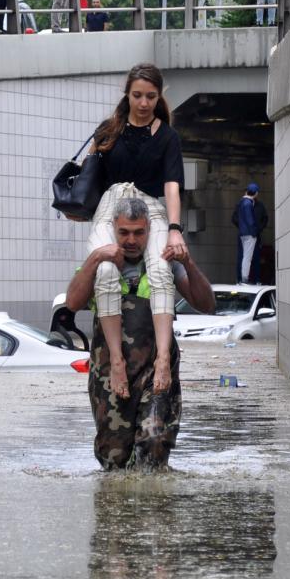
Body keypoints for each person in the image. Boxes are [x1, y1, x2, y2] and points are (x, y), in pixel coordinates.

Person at [64, 197, 214, 469]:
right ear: (114, 229)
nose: (131, 240)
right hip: (111, 374)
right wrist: (96, 257)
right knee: (113, 455)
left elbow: (207, 304)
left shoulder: (164, 265)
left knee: (155, 442)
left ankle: (155, 509)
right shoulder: (100, 267)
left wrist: (188, 263)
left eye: (138, 232)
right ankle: (116, 510)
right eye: (124, 232)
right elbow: (72, 302)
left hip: (155, 372)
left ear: (149, 230)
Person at [84, 63, 186, 399]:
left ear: (159, 97)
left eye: (151, 97)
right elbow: (91, 181)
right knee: (104, 272)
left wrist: (174, 229)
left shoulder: (168, 137)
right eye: (137, 95)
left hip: (151, 210)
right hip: (110, 209)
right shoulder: (108, 130)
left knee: (161, 271)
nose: (144, 103)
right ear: (127, 94)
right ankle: (115, 360)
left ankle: (163, 357)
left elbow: (172, 186)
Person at [233, 182, 261, 284]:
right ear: (256, 193)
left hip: (243, 233)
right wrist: (254, 232)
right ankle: (244, 279)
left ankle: (241, 279)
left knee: (244, 256)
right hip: (249, 233)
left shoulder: (242, 202)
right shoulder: (248, 203)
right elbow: (250, 220)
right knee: (247, 257)